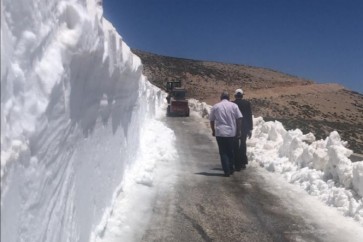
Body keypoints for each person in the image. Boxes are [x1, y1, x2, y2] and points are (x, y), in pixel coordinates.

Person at [209, 91, 242, 177]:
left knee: (223, 152)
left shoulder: (216, 106)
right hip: (231, 132)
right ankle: (231, 168)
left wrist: (213, 130)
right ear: (229, 98)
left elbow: (212, 120)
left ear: (221, 98)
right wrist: (238, 131)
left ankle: (226, 170)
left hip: (220, 132)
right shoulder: (234, 106)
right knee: (231, 151)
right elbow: (239, 119)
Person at [233, 88, 253, 170]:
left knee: (235, 145)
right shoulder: (247, 103)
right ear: (242, 95)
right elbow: (249, 116)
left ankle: (236, 162)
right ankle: (243, 162)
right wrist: (250, 128)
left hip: (235, 127)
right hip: (244, 127)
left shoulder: (232, 104)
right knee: (243, 144)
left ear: (235, 95)